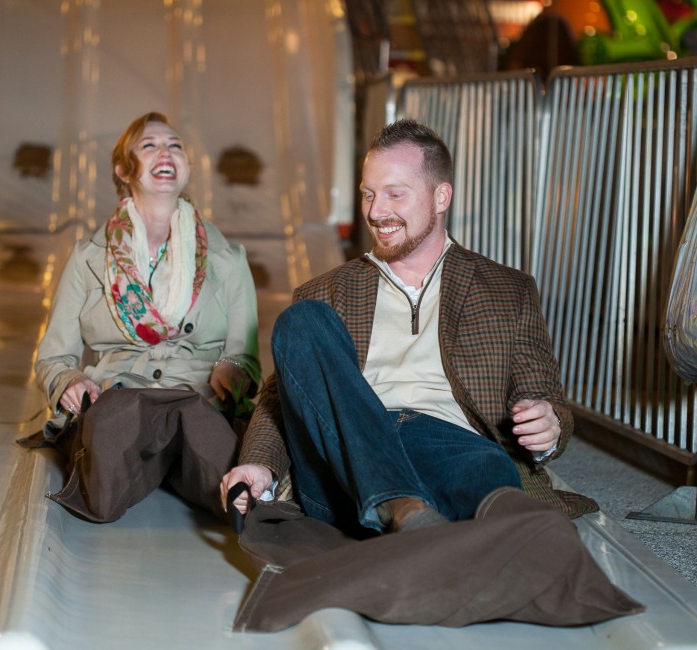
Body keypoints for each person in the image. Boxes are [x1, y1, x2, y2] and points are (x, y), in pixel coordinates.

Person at [220, 118, 572, 536]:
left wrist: (549, 426)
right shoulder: (326, 291)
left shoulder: (507, 289)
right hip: (343, 460)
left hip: (451, 450)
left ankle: (405, 514)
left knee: (490, 467)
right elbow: (279, 401)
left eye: (394, 194)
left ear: (441, 196)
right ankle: (401, 506)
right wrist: (260, 463)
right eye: (368, 194)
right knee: (302, 322)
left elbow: (545, 396)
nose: (375, 211)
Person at [33, 111, 260, 521]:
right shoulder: (90, 257)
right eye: (149, 145)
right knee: (109, 451)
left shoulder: (227, 258)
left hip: (196, 394)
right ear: (124, 169)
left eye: (175, 145)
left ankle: (190, 471)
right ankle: (159, 467)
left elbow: (244, 356)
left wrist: (233, 369)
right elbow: (53, 358)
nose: (165, 152)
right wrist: (69, 380)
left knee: (216, 453)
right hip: (120, 391)